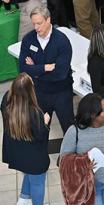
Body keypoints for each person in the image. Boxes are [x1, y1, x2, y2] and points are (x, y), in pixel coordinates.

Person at [1, 73, 51, 205]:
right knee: (38, 181)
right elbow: (40, 136)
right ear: (30, 90)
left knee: (28, 173)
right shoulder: (34, 113)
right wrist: (45, 122)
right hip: (34, 156)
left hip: (15, 153)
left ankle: (23, 199)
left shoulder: (6, 100)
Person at [19, 5, 74, 134]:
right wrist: (45, 67)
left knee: (69, 129)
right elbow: (23, 68)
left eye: (39, 23)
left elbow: (60, 73)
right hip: (39, 93)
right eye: (34, 24)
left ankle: (72, 154)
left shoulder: (62, 41)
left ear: (48, 20)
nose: (36, 28)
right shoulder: (28, 40)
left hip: (62, 93)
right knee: (39, 130)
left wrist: (35, 72)